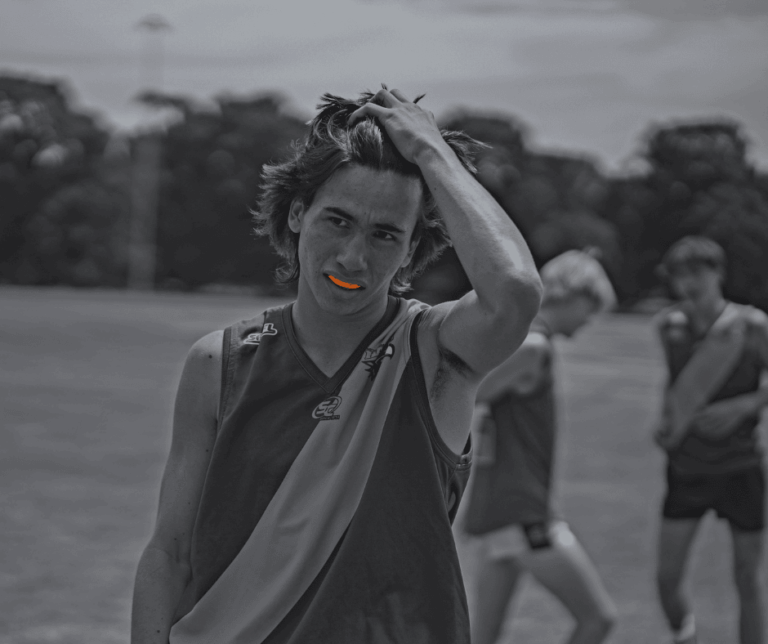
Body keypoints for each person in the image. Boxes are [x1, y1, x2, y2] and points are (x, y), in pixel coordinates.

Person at [129, 87, 542, 644]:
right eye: (338, 221)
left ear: (412, 246)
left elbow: (513, 290)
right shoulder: (218, 363)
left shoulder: (434, 351)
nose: (353, 257)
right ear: (298, 213)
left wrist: (431, 153)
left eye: (385, 234)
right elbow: (170, 553)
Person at [453, 249, 618, 644]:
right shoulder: (534, 349)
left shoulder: (528, 343)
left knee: (483, 637)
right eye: (591, 306)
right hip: (521, 512)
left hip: (502, 513)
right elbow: (464, 396)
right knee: (598, 620)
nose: (590, 319)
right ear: (574, 294)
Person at [653, 236, 768, 644]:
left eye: (696, 272)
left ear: (718, 272)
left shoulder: (752, 325)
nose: (689, 283)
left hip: (741, 467)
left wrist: (744, 407)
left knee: (747, 578)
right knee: (667, 579)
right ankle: (687, 637)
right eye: (680, 275)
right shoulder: (669, 326)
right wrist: (667, 420)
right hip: (687, 467)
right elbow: (680, 387)